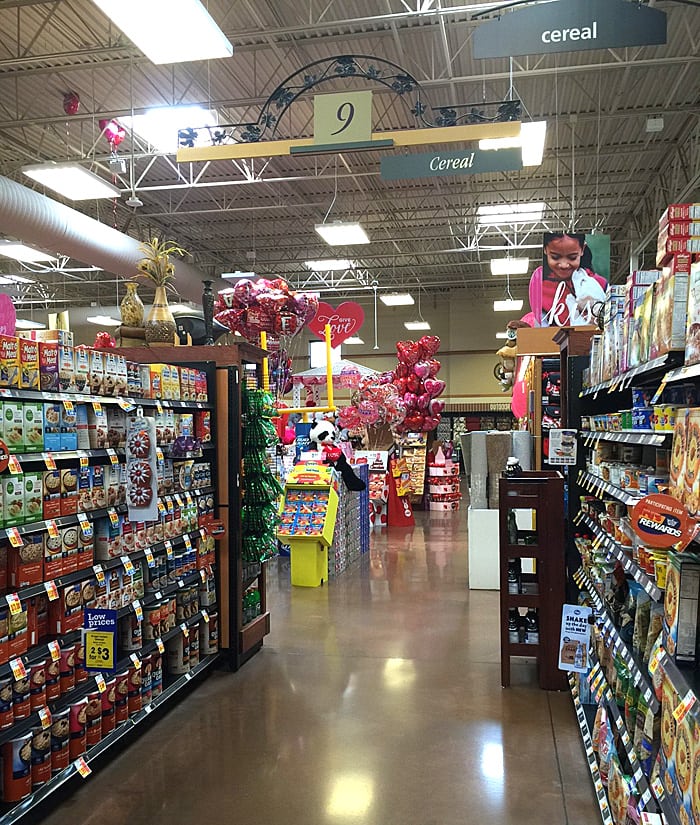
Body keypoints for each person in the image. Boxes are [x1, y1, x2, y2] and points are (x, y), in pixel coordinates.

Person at [528, 232, 608, 327]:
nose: (564, 265)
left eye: (572, 258)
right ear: (545, 249)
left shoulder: (600, 283)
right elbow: (540, 324)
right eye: (555, 257)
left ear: (582, 249)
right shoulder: (539, 281)